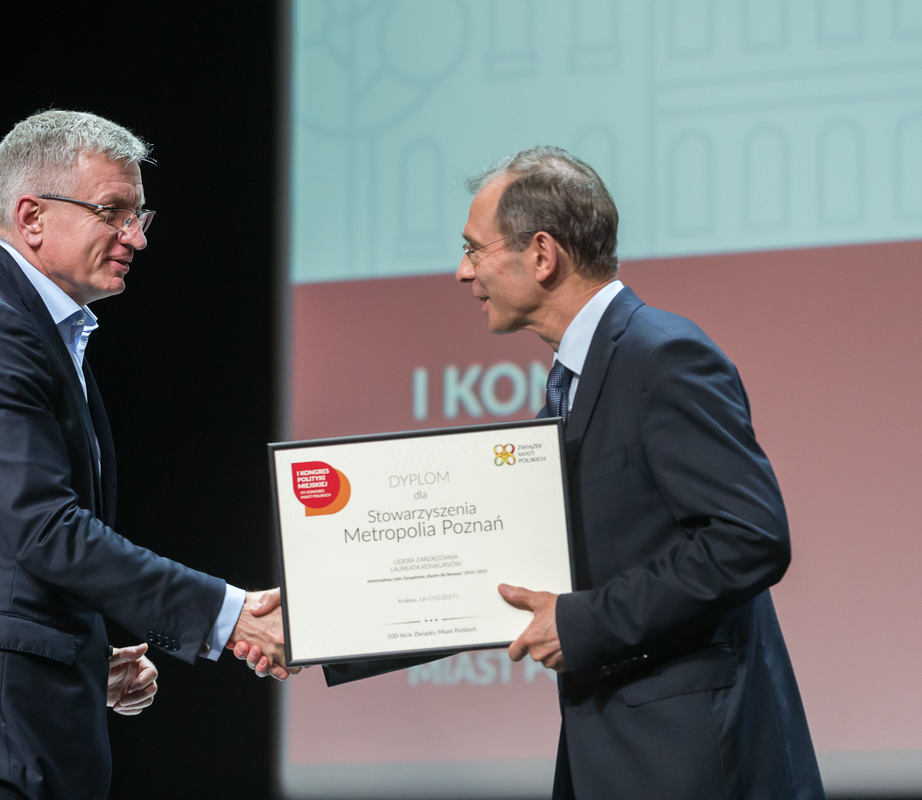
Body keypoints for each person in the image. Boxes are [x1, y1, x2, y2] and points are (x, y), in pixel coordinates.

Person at [241, 147, 825, 799]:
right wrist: (321, 621)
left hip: (696, 756)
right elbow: (491, 575)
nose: (463, 271)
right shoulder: (572, 384)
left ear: (542, 254)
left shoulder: (662, 358)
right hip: (613, 752)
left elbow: (749, 538)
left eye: (474, 249)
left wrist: (582, 623)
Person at [0, 110, 292, 800]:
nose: (136, 236)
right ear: (32, 217)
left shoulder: (26, 326)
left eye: (139, 216)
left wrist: (81, 661)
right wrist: (229, 617)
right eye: (113, 213)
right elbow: (46, 529)